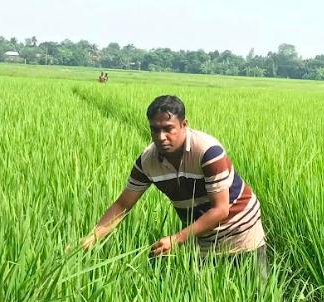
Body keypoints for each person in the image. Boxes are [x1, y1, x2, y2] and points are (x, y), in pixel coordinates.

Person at [81, 95, 267, 268]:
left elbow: (220, 209)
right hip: (201, 234)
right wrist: (92, 238)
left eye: (168, 128)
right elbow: (123, 204)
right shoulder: (147, 162)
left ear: (183, 125)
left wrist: (176, 239)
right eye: (155, 129)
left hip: (241, 228)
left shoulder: (207, 152)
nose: (161, 137)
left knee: (257, 291)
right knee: (205, 296)